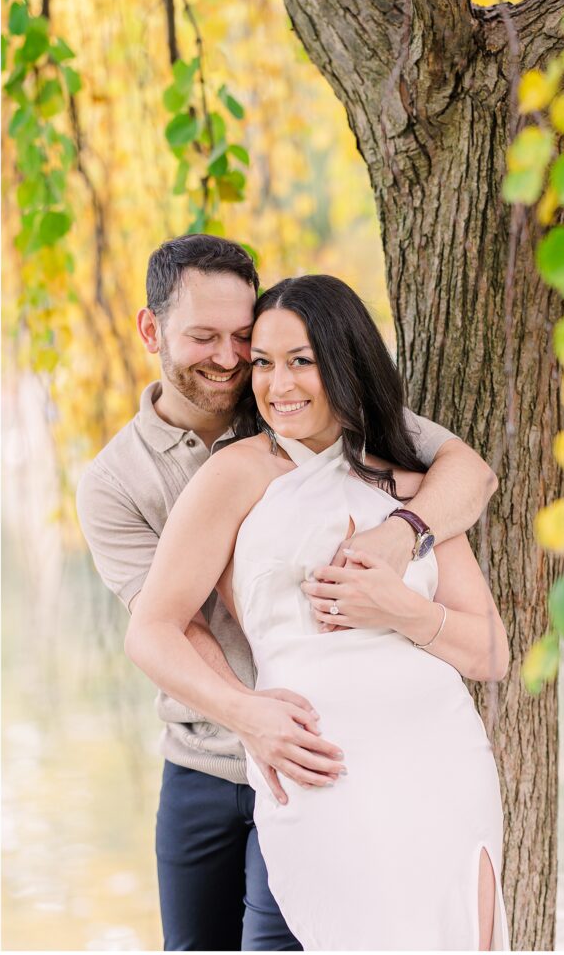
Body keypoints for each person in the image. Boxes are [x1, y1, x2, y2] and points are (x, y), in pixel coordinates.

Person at [77, 235, 499, 952]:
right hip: (224, 751)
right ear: (152, 332)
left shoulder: (371, 446)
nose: (239, 363)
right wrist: (251, 719)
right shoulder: (145, 479)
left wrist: (401, 551)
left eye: (248, 342)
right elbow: (166, 626)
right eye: (207, 339)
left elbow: (468, 480)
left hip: (412, 754)